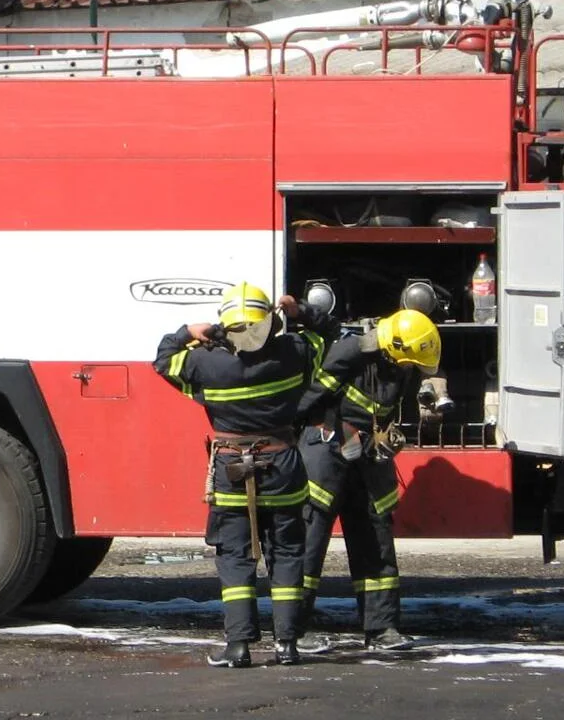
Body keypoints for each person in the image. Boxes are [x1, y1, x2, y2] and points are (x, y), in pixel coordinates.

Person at [153, 283, 334, 668]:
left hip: (231, 470)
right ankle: (287, 645)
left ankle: (238, 647)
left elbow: (163, 360)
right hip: (283, 466)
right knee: (286, 554)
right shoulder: (294, 353)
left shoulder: (206, 365)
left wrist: (188, 332)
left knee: (235, 557)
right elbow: (327, 335)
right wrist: (299, 311)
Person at [295, 307, 440, 651]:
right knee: (308, 542)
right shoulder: (350, 353)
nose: (410, 371)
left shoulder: (401, 361)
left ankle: (382, 629)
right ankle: (294, 629)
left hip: (369, 458)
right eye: (408, 365)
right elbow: (309, 400)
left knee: (375, 540)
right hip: (327, 453)